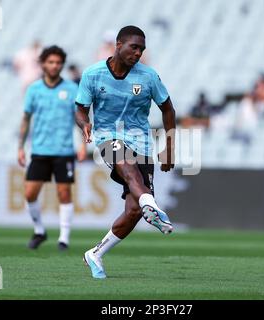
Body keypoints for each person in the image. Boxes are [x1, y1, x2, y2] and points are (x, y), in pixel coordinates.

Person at [75, 26, 176, 279]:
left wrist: (170, 148)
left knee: (133, 211)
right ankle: (152, 205)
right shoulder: (93, 74)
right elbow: (80, 108)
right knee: (128, 168)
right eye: (134, 47)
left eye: (141, 49)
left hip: (141, 143)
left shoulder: (149, 77)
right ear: (118, 45)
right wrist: (84, 123)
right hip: (109, 137)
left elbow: (168, 110)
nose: (138, 53)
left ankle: (95, 254)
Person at [18, 45, 86, 251]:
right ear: (43, 64)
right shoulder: (34, 89)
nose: (55, 66)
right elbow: (26, 119)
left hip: (64, 151)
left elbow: (80, 118)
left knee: (64, 193)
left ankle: (64, 239)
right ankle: (40, 230)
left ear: (62, 65)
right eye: (51, 62)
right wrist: (20, 147)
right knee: (30, 194)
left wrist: (83, 144)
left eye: (58, 62)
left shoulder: (72, 89)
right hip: (39, 150)